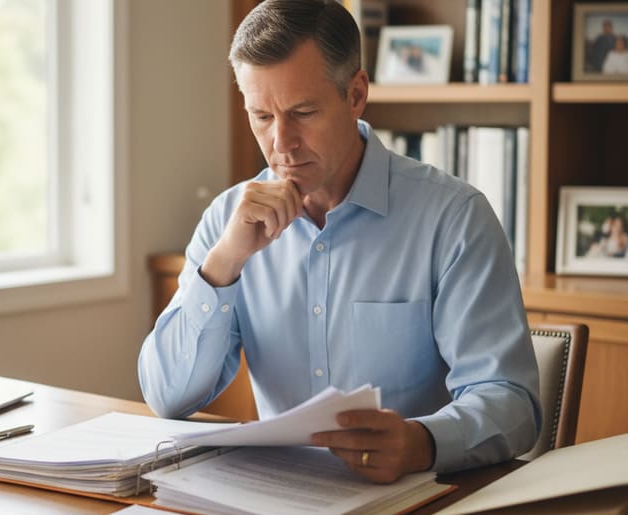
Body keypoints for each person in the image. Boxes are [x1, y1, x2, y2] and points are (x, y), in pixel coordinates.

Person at [138, 0, 541, 484]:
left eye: (302, 112)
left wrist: (422, 442)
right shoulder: (229, 220)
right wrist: (224, 264)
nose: (281, 143)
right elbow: (167, 396)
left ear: (355, 94)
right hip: (281, 497)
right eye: (261, 116)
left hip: (414, 496)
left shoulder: (453, 219)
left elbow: (511, 401)